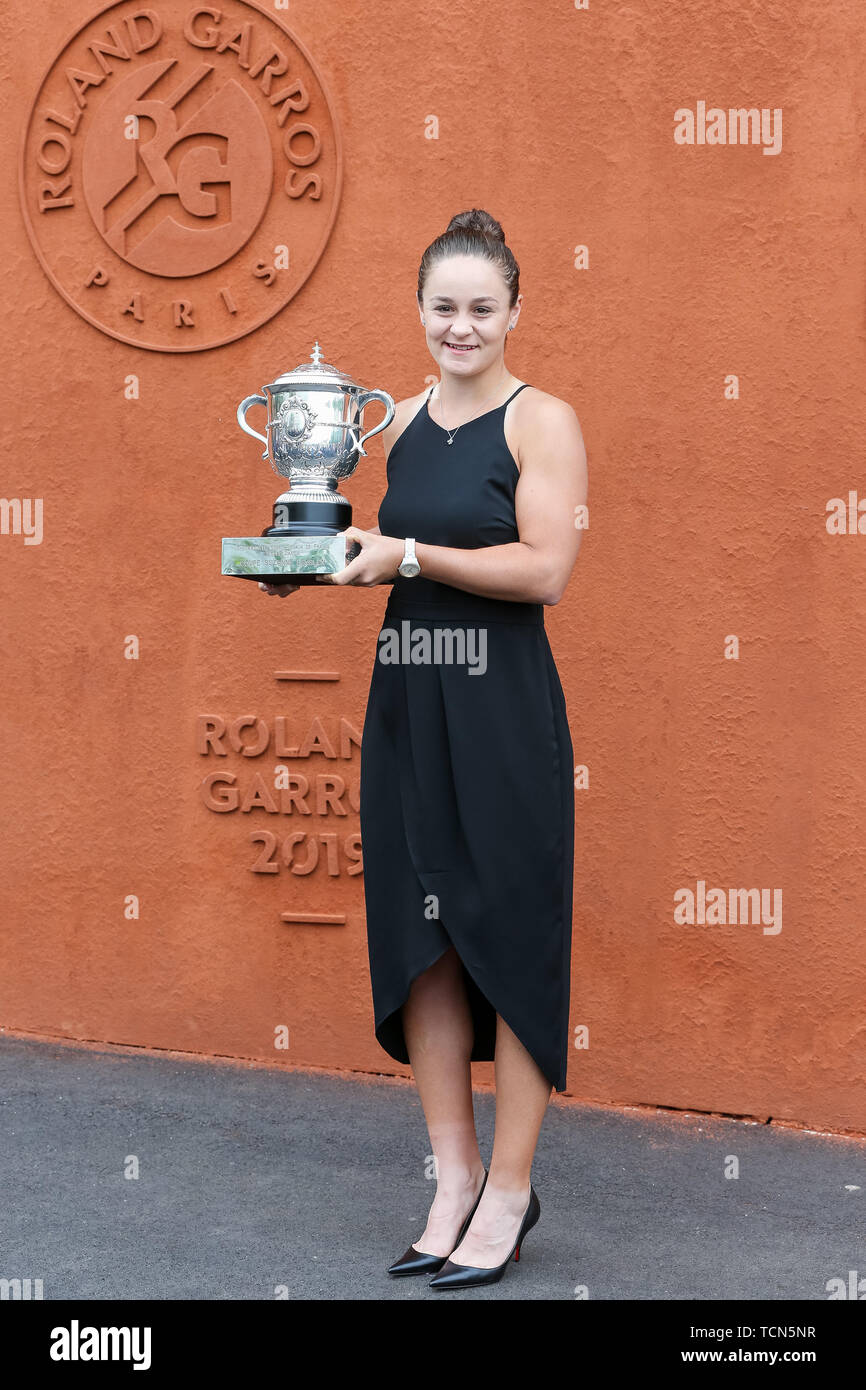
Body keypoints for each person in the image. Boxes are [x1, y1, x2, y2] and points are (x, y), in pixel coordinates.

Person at [260, 208, 587, 1289]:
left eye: (480, 307)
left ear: (513, 312)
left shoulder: (542, 421)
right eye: (442, 306)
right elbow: (352, 540)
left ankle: (509, 1188)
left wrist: (404, 552)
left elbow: (542, 571)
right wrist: (300, 559)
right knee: (425, 946)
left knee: (511, 940)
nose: (460, 325)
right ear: (417, 310)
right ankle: (449, 1180)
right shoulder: (388, 421)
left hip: (500, 716)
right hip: (408, 704)